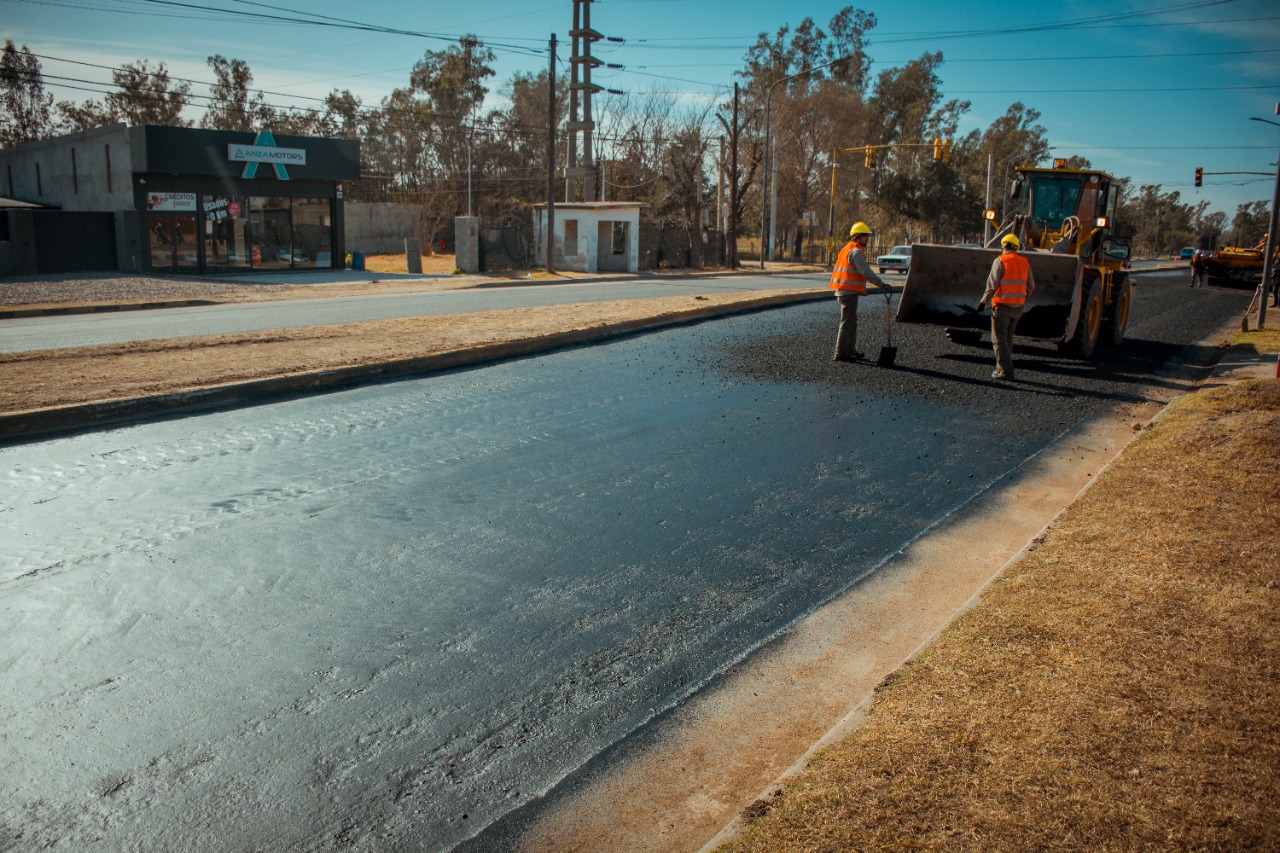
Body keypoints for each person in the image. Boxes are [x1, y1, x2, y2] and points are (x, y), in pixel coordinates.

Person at [978, 233, 1036, 380]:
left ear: (1003, 246)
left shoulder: (1000, 261)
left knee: (998, 340)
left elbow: (992, 285)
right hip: (1017, 309)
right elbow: (1031, 287)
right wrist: (1021, 299)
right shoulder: (1024, 262)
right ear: (1016, 247)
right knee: (1007, 340)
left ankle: (1006, 371)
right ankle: (1000, 368)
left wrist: (983, 302)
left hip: (1002, 308)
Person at [830, 221, 888, 362]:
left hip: (846, 291)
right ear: (858, 237)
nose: (867, 239)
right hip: (847, 292)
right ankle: (840, 353)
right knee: (847, 322)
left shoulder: (847, 248)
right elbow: (866, 271)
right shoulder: (855, 251)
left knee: (851, 322)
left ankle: (850, 351)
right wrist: (881, 284)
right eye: (865, 236)